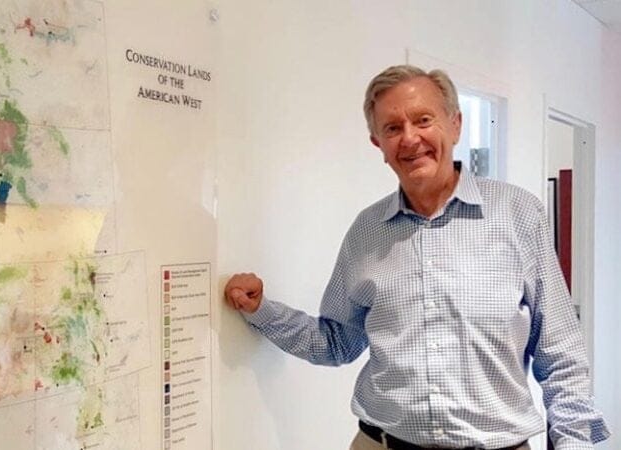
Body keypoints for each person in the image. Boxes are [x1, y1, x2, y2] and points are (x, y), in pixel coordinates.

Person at [224, 65, 609, 450]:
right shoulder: (366, 231)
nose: (410, 138)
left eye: (423, 120)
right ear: (378, 144)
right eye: (392, 128)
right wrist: (261, 311)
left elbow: (560, 357)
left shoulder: (518, 214)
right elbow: (337, 341)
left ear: (455, 125)